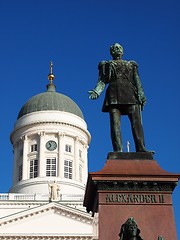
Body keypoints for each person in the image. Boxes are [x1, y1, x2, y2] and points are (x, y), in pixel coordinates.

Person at [88, 43, 150, 152]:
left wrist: (141, 93)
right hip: (113, 94)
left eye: (119, 48)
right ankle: (118, 150)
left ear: (122, 51)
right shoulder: (106, 65)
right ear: (111, 52)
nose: (118, 49)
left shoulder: (131, 65)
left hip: (130, 93)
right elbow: (102, 81)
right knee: (115, 123)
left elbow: (137, 80)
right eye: (115, 48)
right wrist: (97, 92)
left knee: (136, 122)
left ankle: (141, 148)